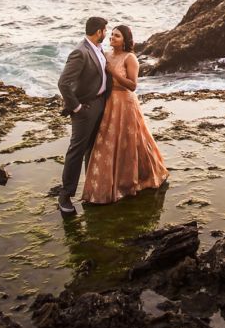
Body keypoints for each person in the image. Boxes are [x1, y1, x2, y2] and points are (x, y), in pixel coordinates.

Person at [81, 24, 169, 204]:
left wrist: (113, 72)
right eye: (112, 34)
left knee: (132, 140)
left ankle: (137, 178)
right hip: (109, 102)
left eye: (117, 36)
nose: (112, 38)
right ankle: (106, 184)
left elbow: (133, 85)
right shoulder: (106, 55)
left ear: (125, 40)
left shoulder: (130, 58)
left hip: (125, 102)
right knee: (107, 142)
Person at [57, 16, 111, 214]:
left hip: (100, 103)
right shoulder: (80, 52)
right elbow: (63, 83)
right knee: (77, 150)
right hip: (85, 108)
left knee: (92, 148)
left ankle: (91, 189)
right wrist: (77, 108)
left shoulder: (98, 48)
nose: (106, 33)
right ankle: (65, 196)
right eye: (105, 30)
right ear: (99, 32)